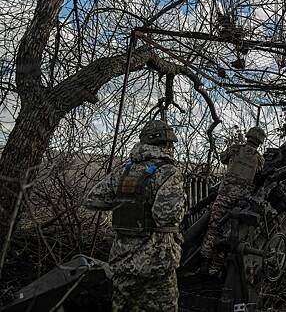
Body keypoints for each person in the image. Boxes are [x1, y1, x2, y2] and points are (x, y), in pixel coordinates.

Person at [84, 120, 186, 312]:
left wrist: (127, 202)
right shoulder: (169, 172)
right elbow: (165, 217)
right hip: (156, 263)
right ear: (165, 144)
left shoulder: (124, 170)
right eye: (170, 144)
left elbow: (93, 199)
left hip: (121, 259)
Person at [200, 126, 266, 272]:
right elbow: (258, 175)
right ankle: (216, 267)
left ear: (248, 136)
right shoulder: (260, 159)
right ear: (260, 141)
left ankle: (204, 262)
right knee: (229, 232)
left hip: (224, 195)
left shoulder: (235, 149)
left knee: (213, 227)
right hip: (240, 202)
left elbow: (223, 159)